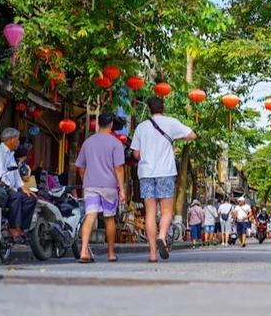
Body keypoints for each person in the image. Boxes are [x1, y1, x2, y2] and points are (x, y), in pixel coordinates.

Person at [130, 96, 196, 263]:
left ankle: (152, 254)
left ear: (150, 109)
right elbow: (191, 135)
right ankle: (162, 236)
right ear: (163, 108)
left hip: (146, 173)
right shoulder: (171, 123)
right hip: (165, 172)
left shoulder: (141, 127)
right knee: (167, 211)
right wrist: (175, 138)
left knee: (150, 213)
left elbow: (136, 154)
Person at [74, 111, 126, 263]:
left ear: (98, 124)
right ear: (110, 125)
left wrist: (86, 180)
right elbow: (119, 168)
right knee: (109, 218)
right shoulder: (116, 143)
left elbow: (80, 166)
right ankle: (110, 253)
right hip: (109, 187)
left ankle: (84, 251)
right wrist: (121, 189)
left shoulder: (88, 142)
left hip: (91, 185)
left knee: (90, 215)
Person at [0, 128, 37, 241]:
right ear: (12, 140)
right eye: (17, 140)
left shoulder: (10, 154)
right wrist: (11, 188)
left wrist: (23, 187)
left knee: (30, 199)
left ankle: (22, 228)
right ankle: (13, 228)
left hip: (8, 188)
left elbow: (15, 173)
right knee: (16, 197)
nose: (18, 142)